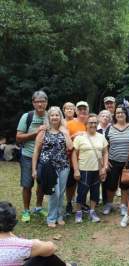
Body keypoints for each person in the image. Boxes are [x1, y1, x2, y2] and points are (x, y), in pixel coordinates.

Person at [32, 107, 73, 228]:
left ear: (60, 117)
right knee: (55, 192)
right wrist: (34, 169)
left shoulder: (64, 130)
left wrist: (65, 133)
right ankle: (51, 218)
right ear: (48, 117)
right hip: (48, 167)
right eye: (52, 115)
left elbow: (70, 147)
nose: (55, 117)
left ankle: (59, 216)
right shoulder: (43, 131)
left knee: (61, 193)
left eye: (57, 115)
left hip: (64, 166)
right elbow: (36, 151)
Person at [0, 201, 76, 266]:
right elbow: (52, 248)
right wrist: (35, 243)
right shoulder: (19, 246)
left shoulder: (17, 245)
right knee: (45, 256)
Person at [16, 90, 48, 223]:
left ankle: (39, 208)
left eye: (43, 101)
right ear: (33, 103)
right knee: (27, 184)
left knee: (42, 184)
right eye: (37, 102)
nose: (40, 104)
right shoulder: (27, 116)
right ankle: (26, 210)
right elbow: (18, 137)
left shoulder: (51, 116)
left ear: (46, 103)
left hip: (45, 157)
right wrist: (36, 133)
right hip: (28, 155)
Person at [72, 114, 108, 223]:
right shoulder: (80, 138)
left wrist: (105, 167)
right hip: (84, 169)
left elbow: (105, 152)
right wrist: (76, 170)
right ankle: (79, 212)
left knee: (95, 191)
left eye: (94, 123)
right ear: (86, 124)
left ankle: (92, 211)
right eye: (90, 122)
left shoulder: (101, 137)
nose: (93, 124)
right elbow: (74, 154)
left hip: (97, 169)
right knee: (82, 192)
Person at [102, 105, 129, 216]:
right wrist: (106, 161)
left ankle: (123, 206)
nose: (120, 114)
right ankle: (109, 204)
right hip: (113, 160)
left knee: (125, 185)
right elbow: (105, 146)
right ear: (115, 116)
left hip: (128, 162)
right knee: (111, 184)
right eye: (117, 113)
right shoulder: (110, 128)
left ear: (126, 114)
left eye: (122, 112)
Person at [65, 101, 89, 215]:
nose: (82, 111)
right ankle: (69, 203)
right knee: (71, 184)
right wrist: (74, 135)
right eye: (80, 109)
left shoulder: (91, 123)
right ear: (76, 111)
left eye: (85, 109)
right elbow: (63, 140)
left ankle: (81, 203)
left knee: (84, 183)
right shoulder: (69, 124)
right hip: (71, 159)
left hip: (86, 160)